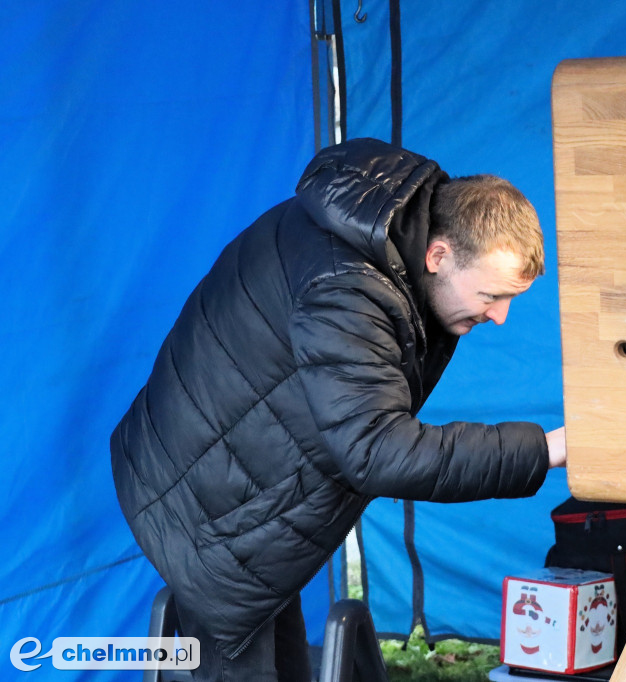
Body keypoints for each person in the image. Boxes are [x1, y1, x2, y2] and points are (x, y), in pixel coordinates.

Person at [110, 137, 566, 681]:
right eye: (491, 296)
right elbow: (378, 450)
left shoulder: (374, 242)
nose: (500, 316)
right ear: (439, 255)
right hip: (209, 508)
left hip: (231, 485)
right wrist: (544, 449)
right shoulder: (347, 287)